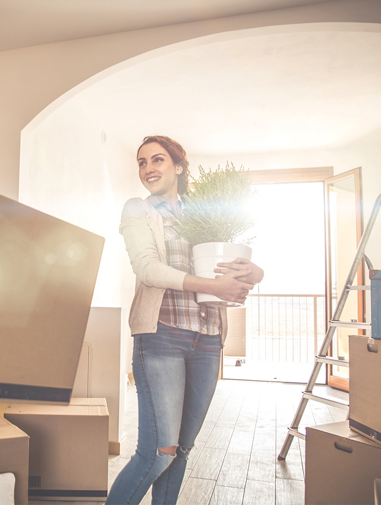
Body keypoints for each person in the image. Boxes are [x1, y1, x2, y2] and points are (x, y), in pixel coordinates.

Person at [106, 136, 264, 505]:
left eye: (157, 160)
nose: (148, 169)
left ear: (178, 167)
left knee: (181, 450)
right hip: (161, 336)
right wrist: (212, 285)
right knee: (158, 451)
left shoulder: (205, 215)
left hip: (208, 340)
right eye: (142, 163)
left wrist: (256, 272)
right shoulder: (138, 210)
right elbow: (147, 269)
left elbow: (232, 267)